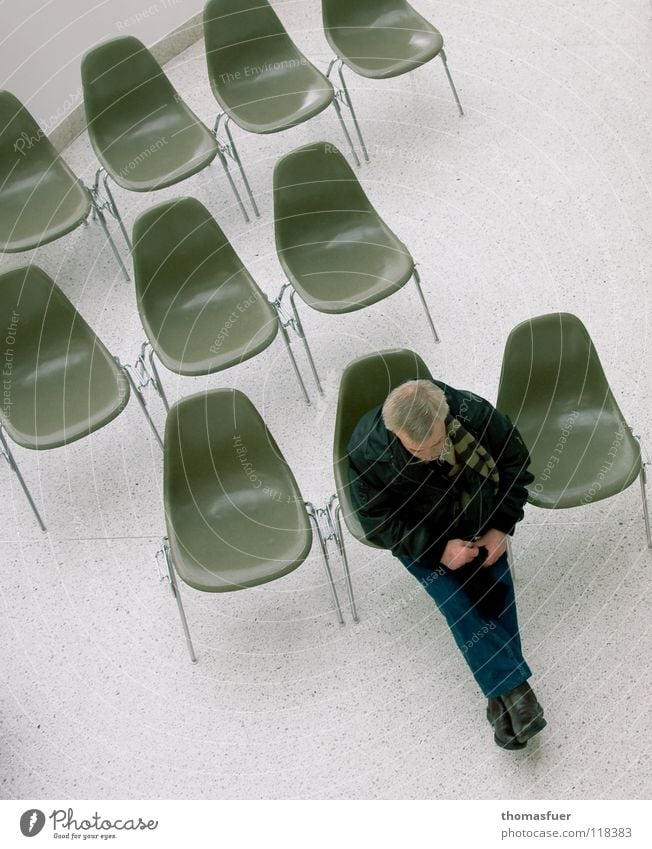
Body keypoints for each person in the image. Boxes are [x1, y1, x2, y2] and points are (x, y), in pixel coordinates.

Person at [347, 378, 545, 749]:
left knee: (493, 584)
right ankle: (515, 691)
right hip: (423, 536)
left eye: (437, 443)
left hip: (478, 515)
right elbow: (378, 522)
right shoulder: (365, 450)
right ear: (395, 434)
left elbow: (516, 462)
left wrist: (501, 526)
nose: (429, 454)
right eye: (415, 449)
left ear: (446, 415)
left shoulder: (473, 412)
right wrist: (439, 549)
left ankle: (500, 698)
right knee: (456, 600)